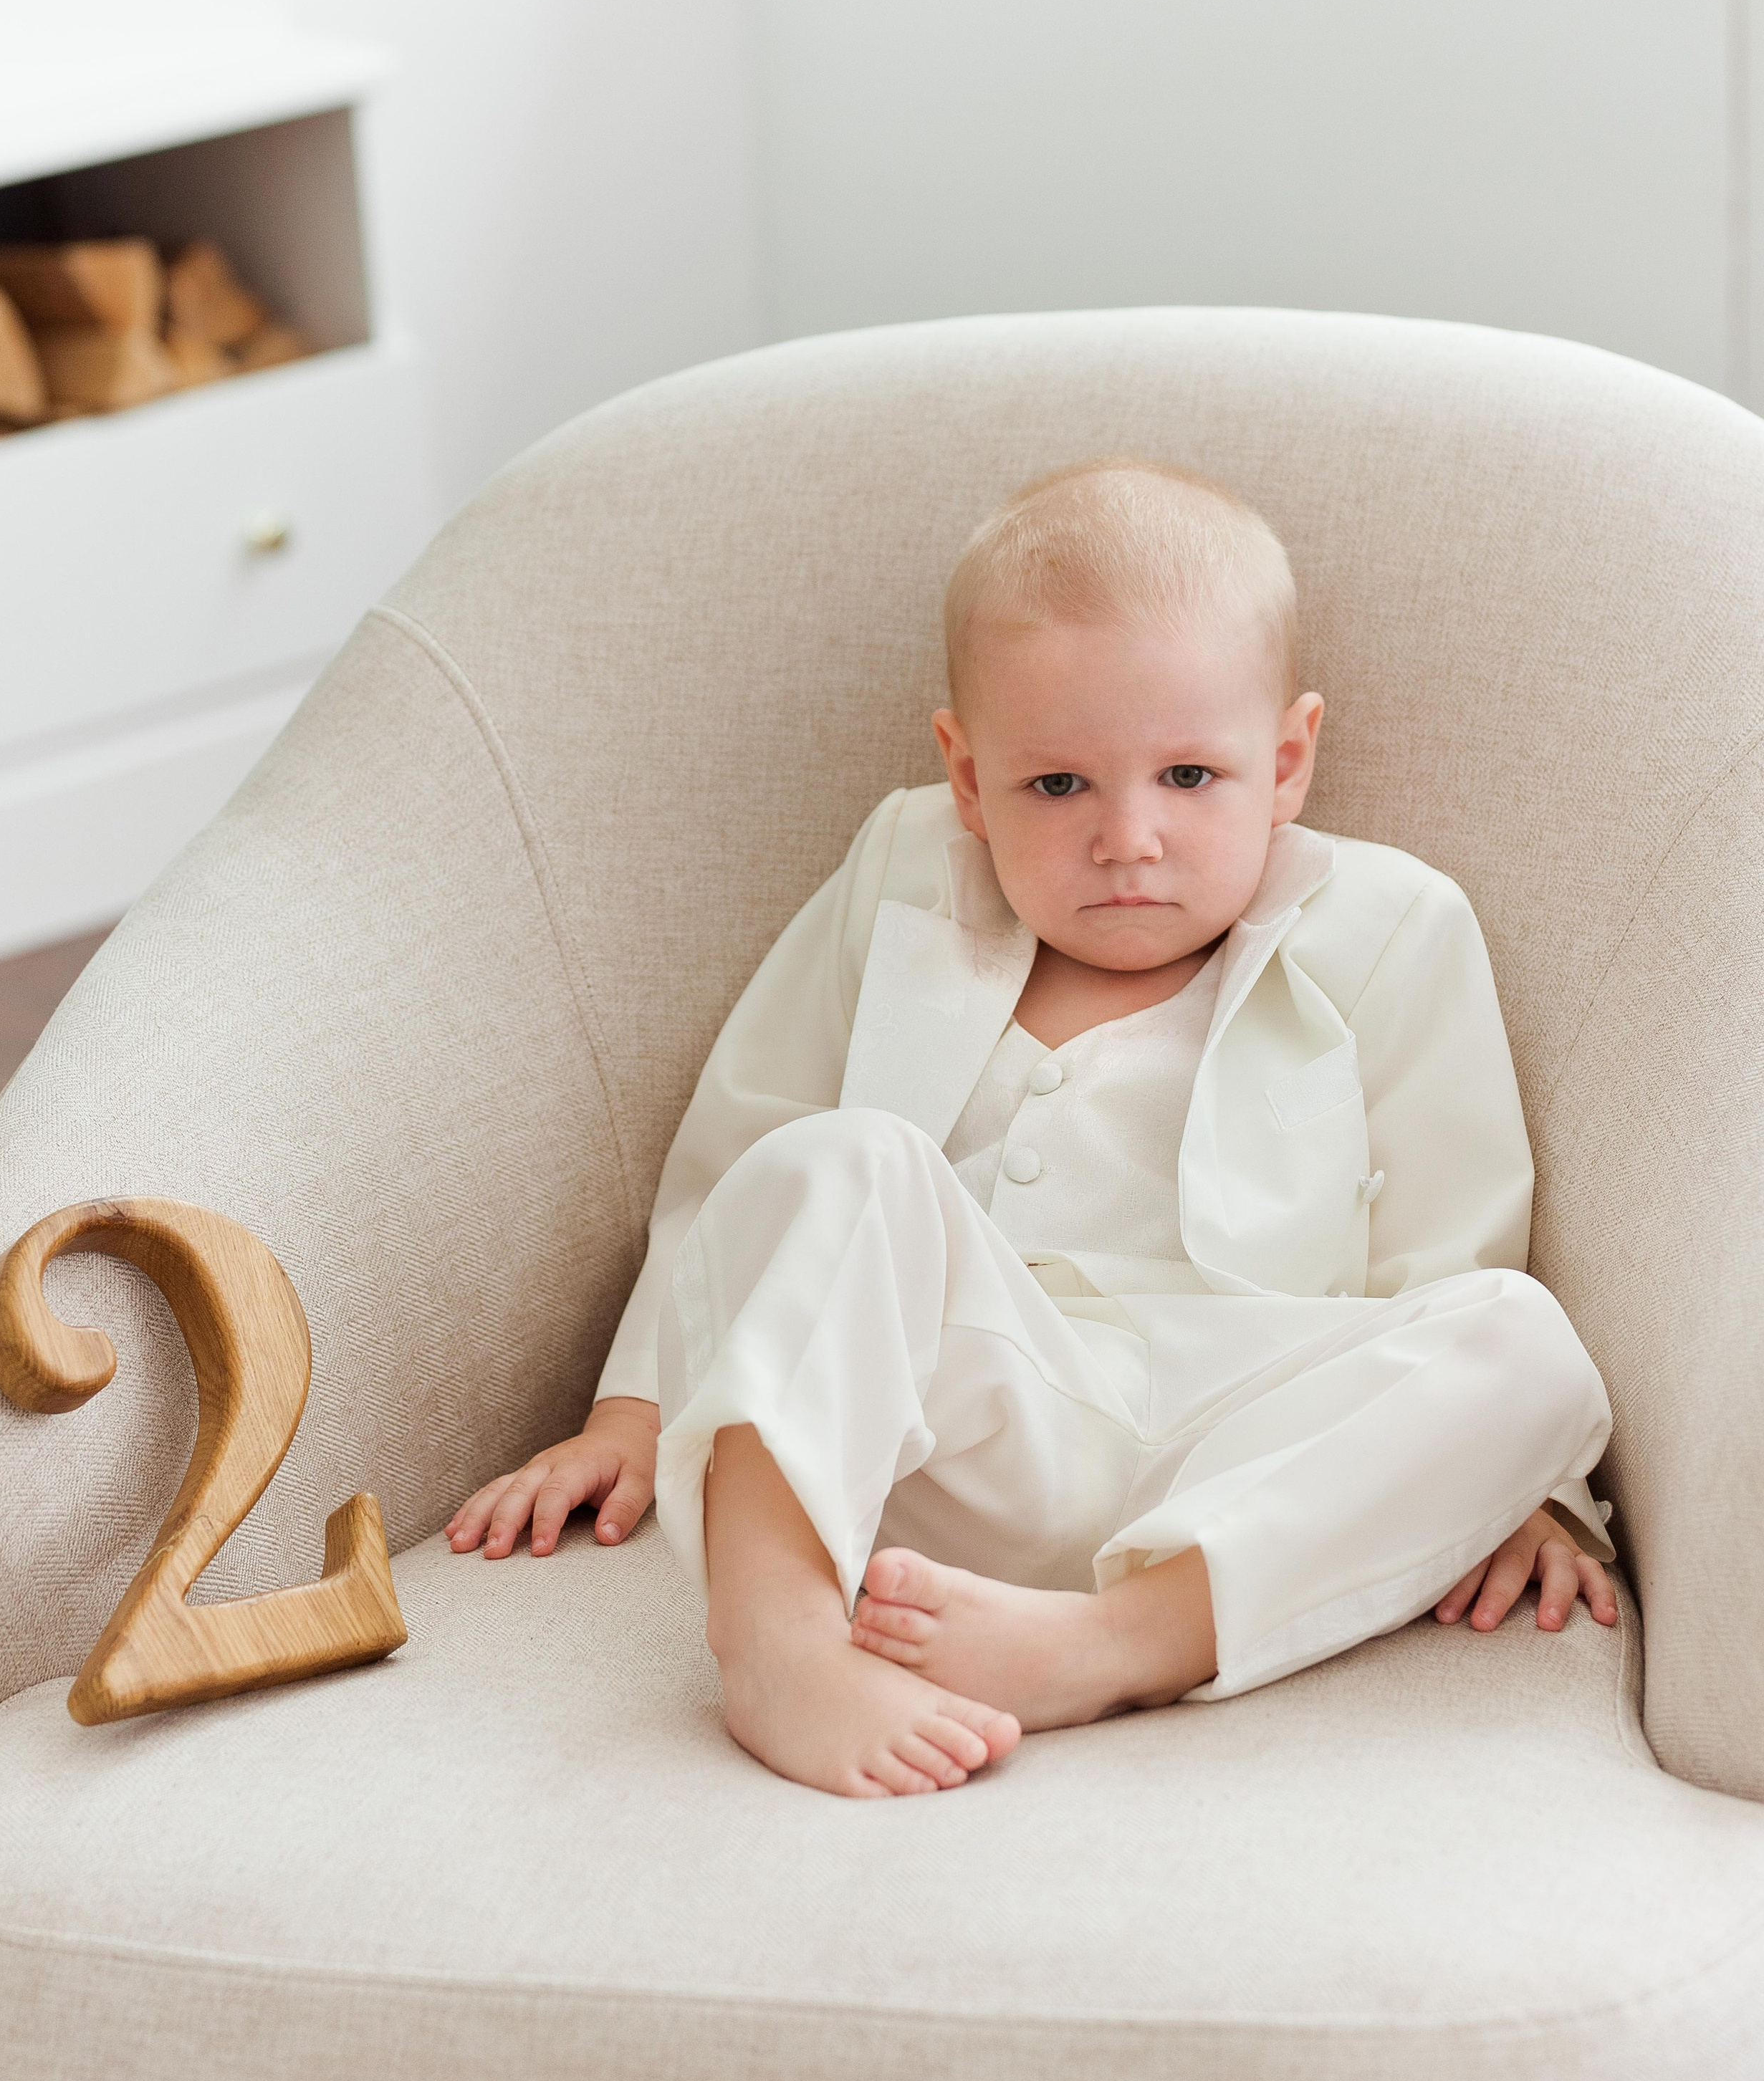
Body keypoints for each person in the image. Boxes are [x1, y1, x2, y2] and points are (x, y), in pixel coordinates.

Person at [449, 458, 1617, 1799]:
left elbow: (1446, 1241)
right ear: (965, 773)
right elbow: (739, 1152)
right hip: (950, 1430)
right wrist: (634, 1408)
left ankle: (1115, 1642)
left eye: (1190, 775)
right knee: (839, 1156)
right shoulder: (902, 875)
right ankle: (775, 1638)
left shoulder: (1395, 926)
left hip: (1239, 1424)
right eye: (1058, 786)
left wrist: (1504, 1491)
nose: (1130, 839)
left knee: (1523, 1339)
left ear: (1287, 763)